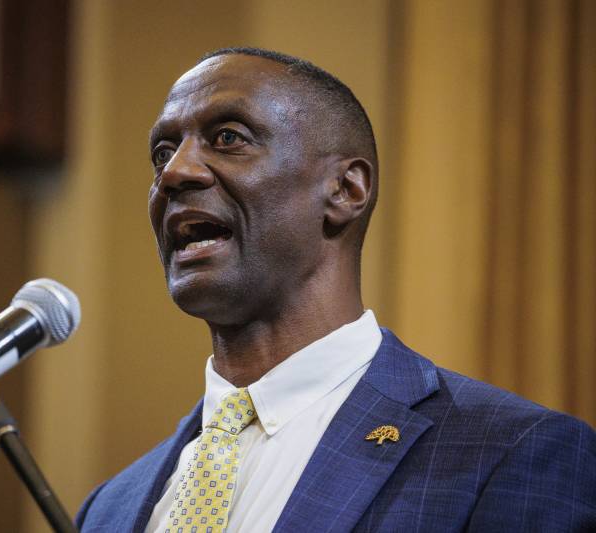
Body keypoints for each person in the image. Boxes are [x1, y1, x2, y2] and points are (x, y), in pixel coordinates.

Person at [75, 48, 596, 532]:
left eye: (229, 138)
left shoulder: (509, 453)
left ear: (345, 190)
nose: (174, 173)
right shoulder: (108, 508)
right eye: (163, 153)